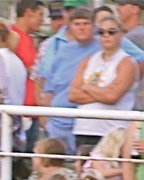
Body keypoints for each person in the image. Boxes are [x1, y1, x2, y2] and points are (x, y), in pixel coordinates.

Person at [67, 15, 137, 151]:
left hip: (111, 132)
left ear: (121, 34)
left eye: (111, 32)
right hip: (84, 130)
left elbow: (112, 97)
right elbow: (73, 95)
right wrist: (104, 91)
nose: (106, 36)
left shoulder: (126, 63)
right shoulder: (87, 61)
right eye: (101, 32)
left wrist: (86, 87)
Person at [36, 6, 98, 154]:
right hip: (57, 123)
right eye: (77, 24)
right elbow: (50, 86)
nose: (81, 28)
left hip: (84, 123)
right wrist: (45, 116)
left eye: (85, 23)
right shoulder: (63, 51)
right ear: (69, 27)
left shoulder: (103, 48)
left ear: (94, 26)